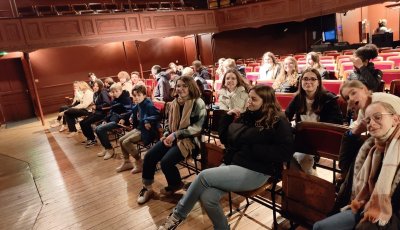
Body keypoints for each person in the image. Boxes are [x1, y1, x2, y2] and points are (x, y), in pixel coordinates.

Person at [157, 85, 294, 230]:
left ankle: (177, 216)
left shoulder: (279, 121)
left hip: (257, 170)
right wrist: (227, 118)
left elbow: (285, 152)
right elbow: (226, 139)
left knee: (203, 176)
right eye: (249, 98)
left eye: (254, 99)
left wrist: (252, 148)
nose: (249, 102)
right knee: (208, 198)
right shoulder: (247, 116)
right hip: (235, 162)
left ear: (266, 101)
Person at [314, 101, 400, 230]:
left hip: (390, 215)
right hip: (360, 205)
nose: (371, 123)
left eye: (378, 117)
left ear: (395, 119)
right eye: (368, 120)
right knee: (319, 227)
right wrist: (355, 131)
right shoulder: (368, 147)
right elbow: (344, 164)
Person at [137, 76, 206, 204]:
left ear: (191, 87)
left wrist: (175, 134)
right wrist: (167, 133)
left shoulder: (198, 103)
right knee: (149, 156)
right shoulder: (174, 102)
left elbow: (197, 128)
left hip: (190, 141)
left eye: (184, 86)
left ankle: (175, 184)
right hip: (173, 137)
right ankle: (147, 188)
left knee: (166, 162)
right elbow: (170, 123)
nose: (180, 89)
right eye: (178, 86)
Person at [285, 68, 343, 175]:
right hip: (302, 137)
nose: (308, 82)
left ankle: (306, 178)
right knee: (282, 151)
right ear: (301, 81)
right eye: (305, 79)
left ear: (318, 82)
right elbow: (286, 116)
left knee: (300, 158)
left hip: (322, 138)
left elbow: (337, 122)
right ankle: (304, 178)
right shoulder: (298, 97)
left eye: (312, 79)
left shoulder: (329, 98)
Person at [338, 80, 400, 175]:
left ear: (365, 90)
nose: (351, 98)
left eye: (353, 93)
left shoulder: (382, 101)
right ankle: (350, 174)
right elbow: (357, 126)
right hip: (383, 144)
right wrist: (353, 132)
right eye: (347, 98)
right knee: (349, 139)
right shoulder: (363, 111)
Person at [116, 85, 160, 173]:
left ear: (144, 95)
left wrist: (147, 120)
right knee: (121, 140)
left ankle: (139, 162)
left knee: (126, 142)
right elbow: (132, 111)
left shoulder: (148, 104)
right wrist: (127, 117)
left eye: (138, 95)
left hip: (148, 131)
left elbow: (157, 115)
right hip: (140, 128)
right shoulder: (139, 104)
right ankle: (127, 162)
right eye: (134, 96)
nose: (136, 98)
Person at [95, 83, 132, 160]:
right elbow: (111, 112)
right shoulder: (115, 99)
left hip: (122, 121)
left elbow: (130, 111)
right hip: (114, 119)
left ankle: (110, 149)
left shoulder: (126, 98)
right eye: (113, 92)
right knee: (97, 128)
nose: (115, 93)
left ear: (121, 90)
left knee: (100, 129)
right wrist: (105, 120)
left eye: (116, 91)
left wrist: (123, 117)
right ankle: (106, 147)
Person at [79, 79, 111, 147]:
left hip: (103, 113)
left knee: (86, 123)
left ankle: (93, 139)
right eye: (94, 86)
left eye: (97, 86)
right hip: (96, 113)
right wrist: (94, 106)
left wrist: (97, 107)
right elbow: (95, 103)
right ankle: (89, 138)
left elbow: (107, 103)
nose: (95, 87)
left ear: (100, 86)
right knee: (82, 122)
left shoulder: (103, 92)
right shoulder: (95, 93)